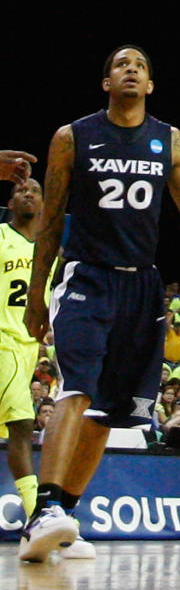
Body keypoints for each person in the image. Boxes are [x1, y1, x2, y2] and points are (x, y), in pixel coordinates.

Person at [20, 45, 180, 563]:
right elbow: (50, 223)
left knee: (108, 414)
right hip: (86, 277)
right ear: (106, 83)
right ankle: (44, 510)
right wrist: (36, 295)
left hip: (141, 285)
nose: (132, 70)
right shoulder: (72, 137)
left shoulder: (170, 138)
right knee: (76, 388)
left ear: (151, 85)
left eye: (140, 66)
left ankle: (65, 518)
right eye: (121, 65)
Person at [0, 178, 49, 527]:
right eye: (20, 190)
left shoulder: (50, 249)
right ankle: (37, 513)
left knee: (14, 427)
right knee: (22, 424)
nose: (27, 193)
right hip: (4, 340)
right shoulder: (1, 237)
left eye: (34, 189)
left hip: (30, 346)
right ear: (10, 204)